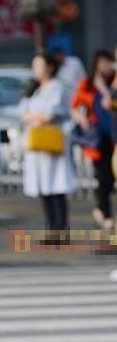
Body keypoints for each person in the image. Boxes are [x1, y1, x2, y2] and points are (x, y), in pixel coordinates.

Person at [19, 52, 75, 242]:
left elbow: (49, 114)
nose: (36, 70)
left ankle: (61, 230)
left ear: (50, 67)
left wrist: (35, 115)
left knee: (57, 189)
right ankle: (52, 230)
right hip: (38, 146)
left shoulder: (57, 87)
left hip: (52, 145)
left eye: (39, 66)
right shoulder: (33, 89)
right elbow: (24, 112)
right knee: (44, 189)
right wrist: (38, 116)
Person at [70, 49, 116, 229]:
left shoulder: (112, 83)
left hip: (113, 136)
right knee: (104, 176)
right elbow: (74, 107)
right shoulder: (86, 84)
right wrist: (82, 118)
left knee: (110, 177)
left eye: (108, 62)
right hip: (96, 138)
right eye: (102, 62)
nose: (105, 66)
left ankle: (101, 209)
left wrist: (106, 91)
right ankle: (105, 214)